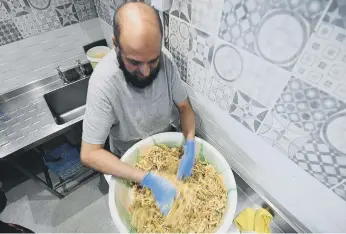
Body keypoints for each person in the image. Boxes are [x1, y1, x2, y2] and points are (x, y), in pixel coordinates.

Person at [80, 2, 196, 215]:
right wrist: (148, 179)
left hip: (166, 149)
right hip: (128, 160)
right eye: (134, 62)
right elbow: (89, 153)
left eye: (153, 61)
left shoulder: (166, 62)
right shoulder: (104, 83)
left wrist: (190, 143)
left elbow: (185, 107)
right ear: (116, 45)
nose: (145, 71)